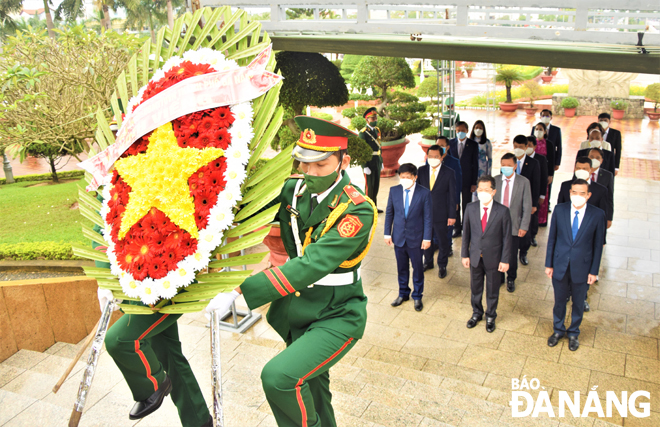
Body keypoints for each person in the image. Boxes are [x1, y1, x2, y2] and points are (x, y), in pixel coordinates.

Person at [205, 116, 377, 427]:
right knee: (314, 391)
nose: (309, 173)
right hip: (298, 312)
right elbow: (242, 204)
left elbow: (311, 265)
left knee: (279, 377)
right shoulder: (295, 190)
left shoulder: (357, 209)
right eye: (303, 163)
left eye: (320, 165)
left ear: (344, 161)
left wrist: (241, 290)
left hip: (336, 315)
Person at [545, 179, 605, 351]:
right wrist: (549, 264)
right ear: (570, 193)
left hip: (582, 267)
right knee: (559, 301)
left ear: (588, 195)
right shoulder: (560, 210)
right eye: (574, 192)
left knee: (578, 303)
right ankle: (558, 330)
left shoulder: (597, 214)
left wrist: (594, 271)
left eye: (582, 193)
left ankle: (573, 333)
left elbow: (597, 246)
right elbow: (552, 239)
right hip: (560, 264)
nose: (577, 196)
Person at [462, 175, 512, 333]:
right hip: (475, 257)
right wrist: (465, 255)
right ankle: (477, 312)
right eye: (480, 189)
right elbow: (466, 234)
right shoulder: (470, 208)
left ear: (493, 191)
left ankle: (491, 315)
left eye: (486, 190)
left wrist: (505, 260)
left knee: (492, 289)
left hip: (494, 259)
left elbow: (507, 238)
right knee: (475, 287)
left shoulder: (503, 211)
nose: (482, 192)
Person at [385, 163, 433, 312]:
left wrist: (427, 238)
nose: (404, 179)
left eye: (407, 177)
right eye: (402, 177)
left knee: (417, 268)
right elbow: (389, 213)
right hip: (399, 237)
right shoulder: (394, 191)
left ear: (415, 177)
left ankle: (417, 296)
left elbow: (427, 218)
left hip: (417, 239)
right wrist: (387, 233)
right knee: (402, 268)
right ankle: (403, 293)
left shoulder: (424, 193)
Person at [418, 145, 457, 278]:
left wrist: (452, 215)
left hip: (442, 214)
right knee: (426, 239)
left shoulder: (449, 172)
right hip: (424, 214)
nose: (433, 159)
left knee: (442, 241)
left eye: (436, 157)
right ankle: (428, 262)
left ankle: (442, 265)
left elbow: (453, 196)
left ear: (442, 157)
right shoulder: (421, 171)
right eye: (430, 156)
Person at [495, 154, 532, 293]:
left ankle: (511, 278)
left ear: (515, 166)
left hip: (514, 225)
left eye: (509, 165)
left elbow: (527, 206)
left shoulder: (523, 182)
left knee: (511, 255)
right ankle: (499, 277)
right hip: (497, 225)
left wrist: (524, 226)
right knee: (497, 252)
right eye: (503, 164)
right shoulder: (495, 181)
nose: (506, 167)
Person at [512, 135, 540, 267]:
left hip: (527, 201)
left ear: (526, 147)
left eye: (520, 147)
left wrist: (534, 204)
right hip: (512, 201)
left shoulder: (533, 163)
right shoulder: (510, 161)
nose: (517, 149)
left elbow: (536, 184)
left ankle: (523, 253)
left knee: (525, 228)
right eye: (515, 146)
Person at [449, 121, 479, 237]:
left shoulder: (473, 144)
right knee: (455, 203)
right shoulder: (451, 143)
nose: (460, 133)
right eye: (458, 131)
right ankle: (457, 228)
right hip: (454, 179)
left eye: (462, 130)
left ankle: (467, 227)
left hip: (467, 179)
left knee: (466, 204)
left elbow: (475, 164)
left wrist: (474, 183)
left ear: (467, 130)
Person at [531, 109, 562, 212]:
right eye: (543, 115)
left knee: (547, 186)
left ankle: (546, 204)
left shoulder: (556, 130)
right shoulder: (533, 130)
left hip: (547, 165)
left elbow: (559, 147)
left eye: (547, 116)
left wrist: (556, 163)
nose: (545, 117)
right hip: (534, 167)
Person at [437, 136, 462, 257]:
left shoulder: (454, 162)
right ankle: (437, 243)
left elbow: (458, 183)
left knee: (448, 224)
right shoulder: (430, 160)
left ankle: (448, 245)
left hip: (448, 199)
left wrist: (456, 201)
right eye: (438, 145)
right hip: (435, 200)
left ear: (447, 147)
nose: (440, 147)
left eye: (442, 145)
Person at [530, 122, 555, 227]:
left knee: (542, 196)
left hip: (543, 173)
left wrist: (550, 174)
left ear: (545, 132)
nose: (538, 131)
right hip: (532, 172)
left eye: (541, 129)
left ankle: (541, 220)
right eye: (536, 129)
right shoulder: (530, 142)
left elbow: (552, 159)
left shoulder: (548, 144)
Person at [359, 107, 384, 213]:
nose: (375, 120)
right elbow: (361, 151)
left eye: (375, 118)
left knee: (376, 186)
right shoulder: (363, 133)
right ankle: (368, 208)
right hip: (368, 162)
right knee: (370, 187)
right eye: (372, 118)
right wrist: (364, 166)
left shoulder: (377, 130)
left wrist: (381, 161)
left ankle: (374, 206)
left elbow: (379, 147)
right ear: (367, 120)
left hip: (377, 161)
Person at [526, 136, 549, 247]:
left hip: (535, 193)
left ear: (535, 147)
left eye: (530, 145)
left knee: (534, 216)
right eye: (526, 145)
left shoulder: (541, 159)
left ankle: (533, 236)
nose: (527, 147)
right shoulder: (520, 159)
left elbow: (544, 178)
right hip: (524, 193)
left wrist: (542, 195)